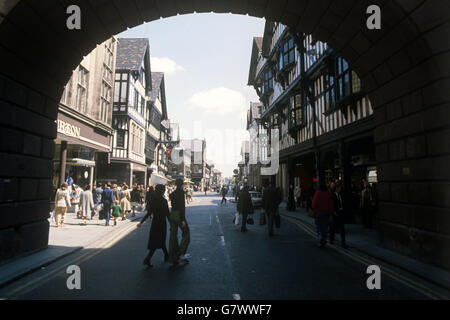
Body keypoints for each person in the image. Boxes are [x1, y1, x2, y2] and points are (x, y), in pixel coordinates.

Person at [137, 184, 170, 267]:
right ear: (162, 191)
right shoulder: (164, 201)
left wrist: (141, 222)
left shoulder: (154, 200)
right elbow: (167, 214)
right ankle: (148, 259)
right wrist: (172, 224)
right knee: (160, 240)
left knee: (157, 240)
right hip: (162, 223)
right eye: (164, 189)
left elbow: (149, 213)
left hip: (155, 223)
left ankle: (166, 256)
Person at [169, 179, 190, 267]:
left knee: (173, 237)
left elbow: (172, 205)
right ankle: (180, 254)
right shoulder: (182, 193)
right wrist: (182, 220)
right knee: (186, 234)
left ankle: (172, 258)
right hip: (179, 215)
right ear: (182, 184)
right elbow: (182, 207)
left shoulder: (172, 194)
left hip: (172, 214)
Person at [312, 182, 334, 248]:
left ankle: (320, 238)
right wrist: (331, 214)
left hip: (319, 213)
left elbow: (313, 204)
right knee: (325, 227)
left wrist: (314, 209)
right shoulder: (328, 194)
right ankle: (324, 239)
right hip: (326, 213)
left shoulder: (317, 193)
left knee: (319, 227)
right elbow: (331, 205)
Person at [329, 182, 349, 249]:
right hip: (335, 213)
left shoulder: (341, 195)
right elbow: (331, 204)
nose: (340, 189)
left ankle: (343, 243)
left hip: (341, 213)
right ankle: (331, 240)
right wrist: (333, 212)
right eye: (339, 188)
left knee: (342, 229)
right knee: (333, 228)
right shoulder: (332, 195)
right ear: (336, 188)